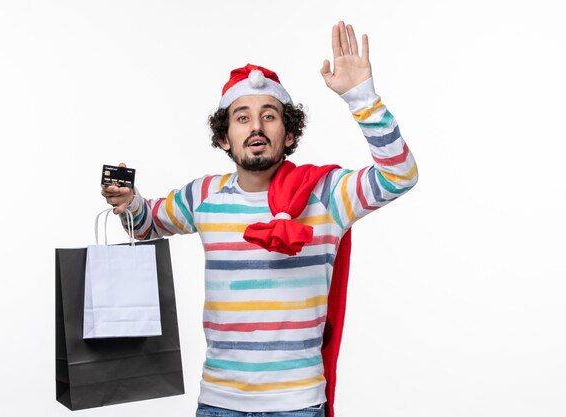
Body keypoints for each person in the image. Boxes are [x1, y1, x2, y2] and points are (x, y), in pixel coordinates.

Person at [102, 21, 418, 417]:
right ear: (224, 137)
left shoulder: (327, 195)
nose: (256, 126)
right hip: (219, 403)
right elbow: (146, 224)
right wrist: (128, 202)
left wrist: (362, 98)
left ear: (289, 135)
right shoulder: (204, 196)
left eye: (269, 116)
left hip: (298, 404)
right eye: (242, 117)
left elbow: (399, 175)